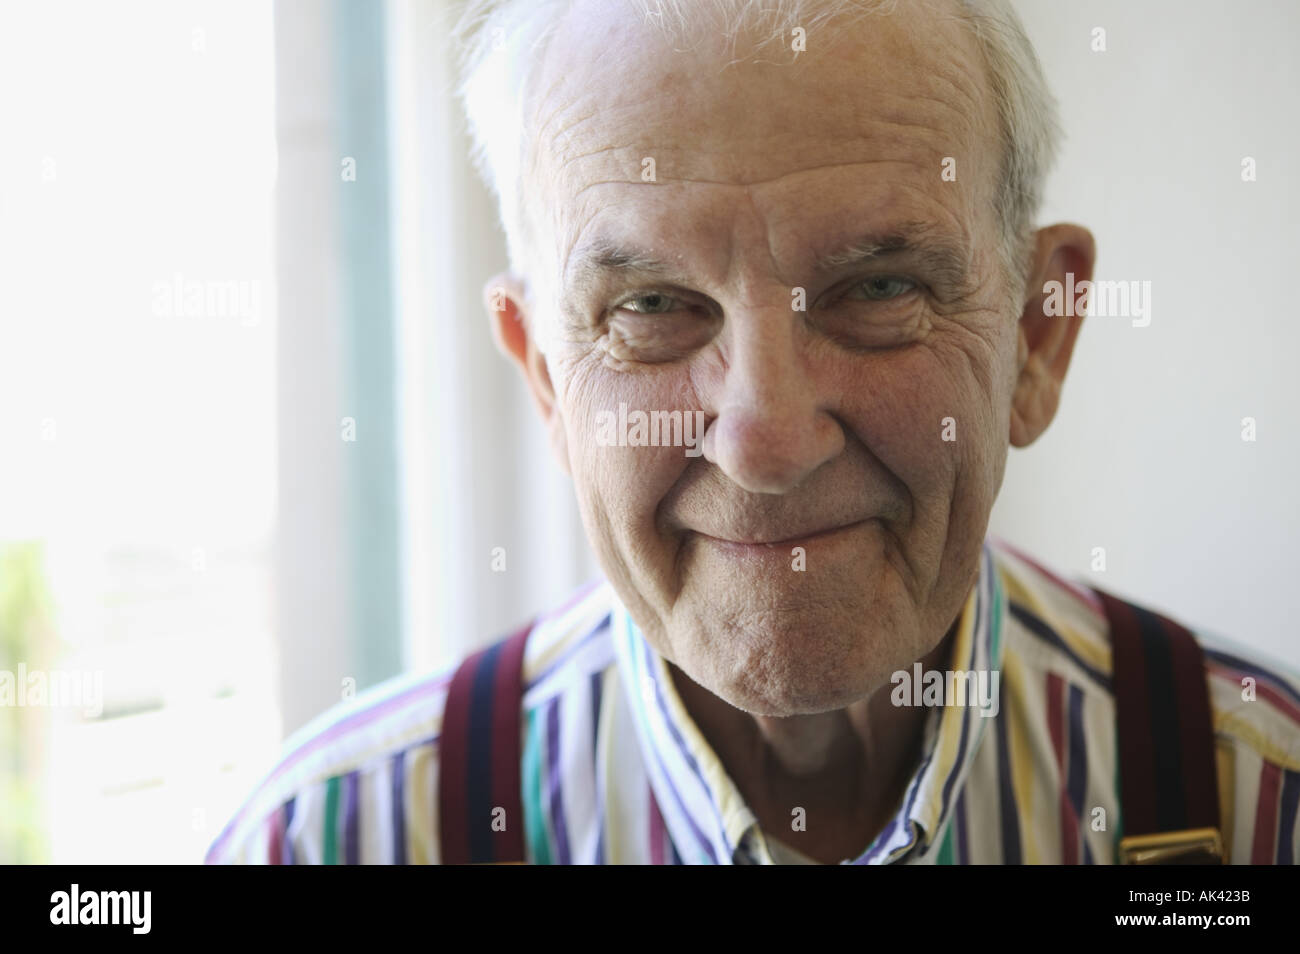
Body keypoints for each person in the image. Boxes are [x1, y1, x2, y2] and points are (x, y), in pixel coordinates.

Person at [208, 0, 1300, 865]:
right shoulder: (331, 842)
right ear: (544, 374)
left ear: (1036, 333)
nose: (764, 441)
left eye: (878, 286)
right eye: (651, 307)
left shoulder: (1261, 799)